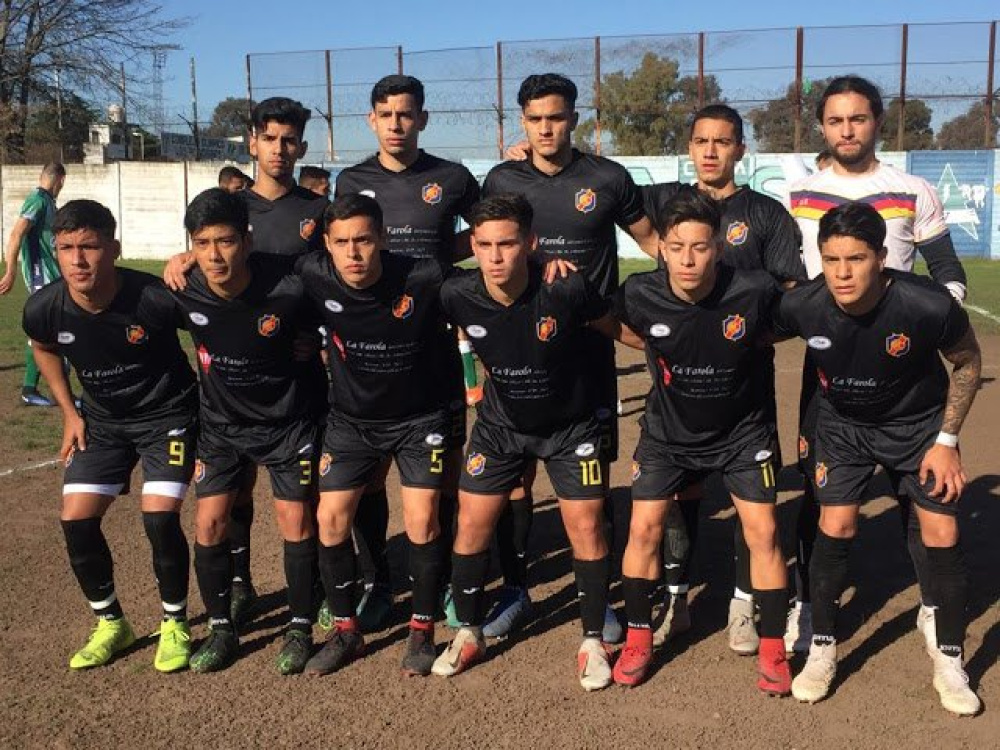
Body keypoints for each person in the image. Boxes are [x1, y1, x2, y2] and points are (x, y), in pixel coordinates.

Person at [775, 201, 982, 716]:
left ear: (881, 257)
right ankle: (822, 649)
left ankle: (949, 659)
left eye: (856, 259)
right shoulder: (803, 305)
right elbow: (745, 327)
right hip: (843, 428)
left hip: (918, 428)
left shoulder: (927, 304)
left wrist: (947, 440)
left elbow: (967, 362)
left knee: (942, 531)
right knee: (836, 525)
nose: (842, 273)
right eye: (831, 259)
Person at [787, 75, 968, 656]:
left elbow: (948, 272)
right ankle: (807, 605)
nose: (847, 130)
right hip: (828, 371)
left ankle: (933, 606)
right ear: (822, 127)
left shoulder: (912, 189)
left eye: (858, 119)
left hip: (902, 371)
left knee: (918, 497)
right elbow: (786, 281)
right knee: (817, 492)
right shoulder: (800, 194)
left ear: (877, 123)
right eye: (835, 121)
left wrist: (930, 323)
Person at [478, 73, 659, 641]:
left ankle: (600, 600)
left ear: (576, 119)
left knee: (592, 480)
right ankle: (514, 590)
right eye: (535, 119)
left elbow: (652, 241)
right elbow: (487, 247)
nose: (545, 128)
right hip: (521, 351)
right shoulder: (503, 179)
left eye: (555, 117)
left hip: (589, 352)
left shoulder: (607, 177)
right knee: (514, 480)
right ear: (522, 122)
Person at [431, 194, 621, 691]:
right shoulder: (456, 293)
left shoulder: (565, 286)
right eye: (485, 245)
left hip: (571, 428)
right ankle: (468, 632)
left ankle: (592, 641)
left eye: (508, 244)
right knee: (471, 523)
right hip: (500, 428)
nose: (495, 256)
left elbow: (616, 329)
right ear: (472, 245)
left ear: (530, 243)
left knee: (586, 524)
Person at [641, 104, 806, 653]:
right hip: (677, 389)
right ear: (689, 147)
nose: (710, 151)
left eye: (722, 141)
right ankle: (676, 598)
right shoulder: (665, 201)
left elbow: (791, 296)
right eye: (701, 141)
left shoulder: (765, 213)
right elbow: (595, 192)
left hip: (744, 393)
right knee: (678, 492)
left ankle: (742, 602)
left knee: (749, 499)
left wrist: (746, 339)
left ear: (740, 149)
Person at [611, 190, 791, 693]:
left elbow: (795, 319)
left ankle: (773, 650)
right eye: (676, 247)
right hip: (668, 434)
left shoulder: (755, 288)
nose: (688, 259)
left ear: (719, 248)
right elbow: (608, 321)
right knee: (643, 528)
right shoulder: (639, 292)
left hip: (742, 433)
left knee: (764, 531)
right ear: (662, 249)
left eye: (699, 247)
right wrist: (656, 344)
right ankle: (639, 640)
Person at [167, 98, 328, 629]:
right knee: (233, 493)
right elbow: (205, 254)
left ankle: (316, 586)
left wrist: (316, 336)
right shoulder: (229, 207)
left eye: (289, 140)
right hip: (234, 381)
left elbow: (330, 285)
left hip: (294, 375)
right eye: (270, 139)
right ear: (253, 143)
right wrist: (181, 257)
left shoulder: (318, 209)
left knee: (304, 497)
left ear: (301, 147)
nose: (279, 149)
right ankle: (239, 582)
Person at [22, 199, 198, 673]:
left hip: (167, 416)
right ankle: (111, 623)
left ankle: (175, 622)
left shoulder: (153, 298)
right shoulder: (44, 307)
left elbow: (212, 326)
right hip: (102, 422)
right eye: (66, 248)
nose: (78, 260)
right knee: (76, 519)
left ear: (114, 249)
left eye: (90, 247)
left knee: (159, 518)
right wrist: (69, 412)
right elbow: (43, 348)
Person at [333, 74, 482, 631]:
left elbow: (490, 228)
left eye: (406, 113)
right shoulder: (352, 180)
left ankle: (440, 580)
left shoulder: (452, 178)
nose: (396, 124)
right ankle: (378, 582)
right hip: (371, 349)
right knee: (369, 477)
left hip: (433, 343)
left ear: (422, 118)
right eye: (386, 114)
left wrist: (443, 254)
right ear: (371, 120)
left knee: (441, 478)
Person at [296, 193, 458, 676]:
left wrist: (543, 265)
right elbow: (253, 274)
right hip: (351, 422)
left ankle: (422, 631)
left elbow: (490, 286)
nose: (353, 253)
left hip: (419, 420)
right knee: (329, 518)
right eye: (342, 242)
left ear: (383, 239)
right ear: (327, 245)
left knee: (422, 520)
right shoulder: (312, 274)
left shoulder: (424, 275)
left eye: (364, 240)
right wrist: (185, 261)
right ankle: (346, 632)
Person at [1, 162, 67, 406]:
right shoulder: (37, 200)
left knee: (57, 328)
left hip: (53, 274)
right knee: (44, 329)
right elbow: (16, 234)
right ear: (60, 180)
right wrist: (10, 271)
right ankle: (32, 388)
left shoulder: (48, 202)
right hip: (40, 275)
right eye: (62, 184)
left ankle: (47, 389)